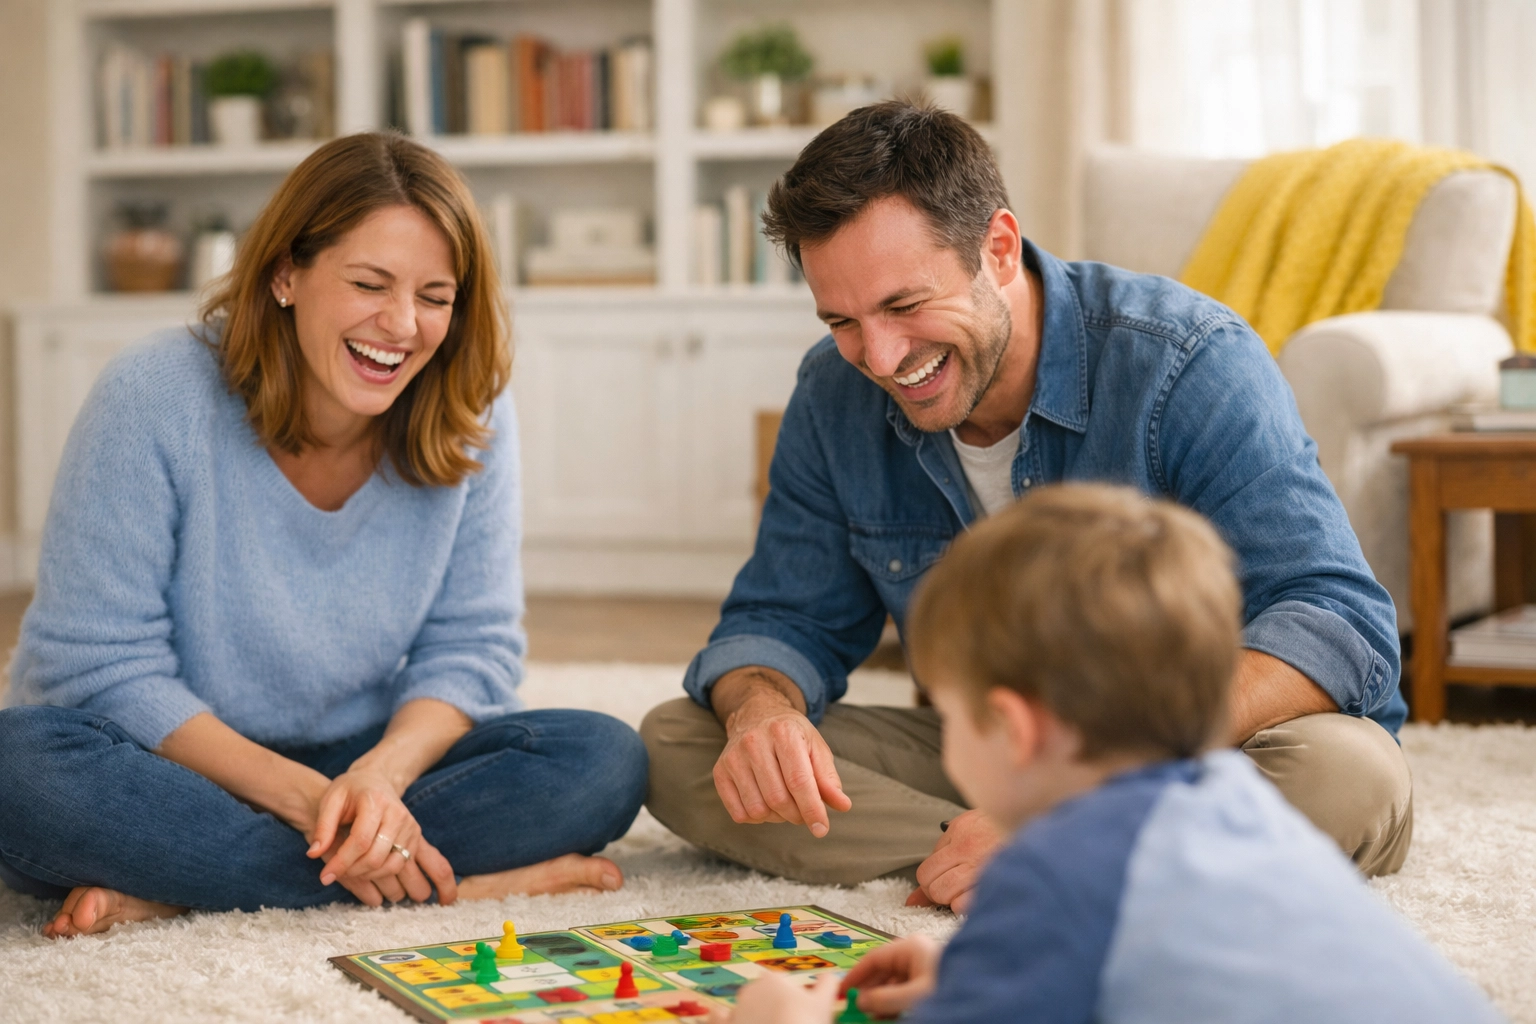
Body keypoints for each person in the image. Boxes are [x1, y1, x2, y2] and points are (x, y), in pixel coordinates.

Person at [641, 101, 1411, 908]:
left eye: (904, 306)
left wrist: (1073, 796)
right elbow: (783, 618)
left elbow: (1335, 620)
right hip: (993, 749)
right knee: (683, 743)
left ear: (998, 249)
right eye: (842, 320)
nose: (879, 357)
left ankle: (1032, 850)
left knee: (1348, 777)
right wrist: (762, 713)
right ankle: (1022, 854)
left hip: (1182, 748)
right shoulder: (833, 394)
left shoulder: (1187, 363)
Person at [0, 132, 647, 937]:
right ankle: (453, 887)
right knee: (15, 770)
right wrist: (309, 801)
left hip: (360, 756)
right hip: (171, 761)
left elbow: (473, 650)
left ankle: (196, 887)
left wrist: (378, 778)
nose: (402, 325)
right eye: (369, 283)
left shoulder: (474, 410)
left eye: (435, 296)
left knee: (604, 762)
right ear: (285, 275)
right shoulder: (153, 393)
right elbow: (97, 664)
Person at [723, 484, 1502, 1024]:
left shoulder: (1046, 874)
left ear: (1013, 730)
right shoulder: (1239, 807)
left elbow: (1079, 919)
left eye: (953, 717)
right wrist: (977, 981)